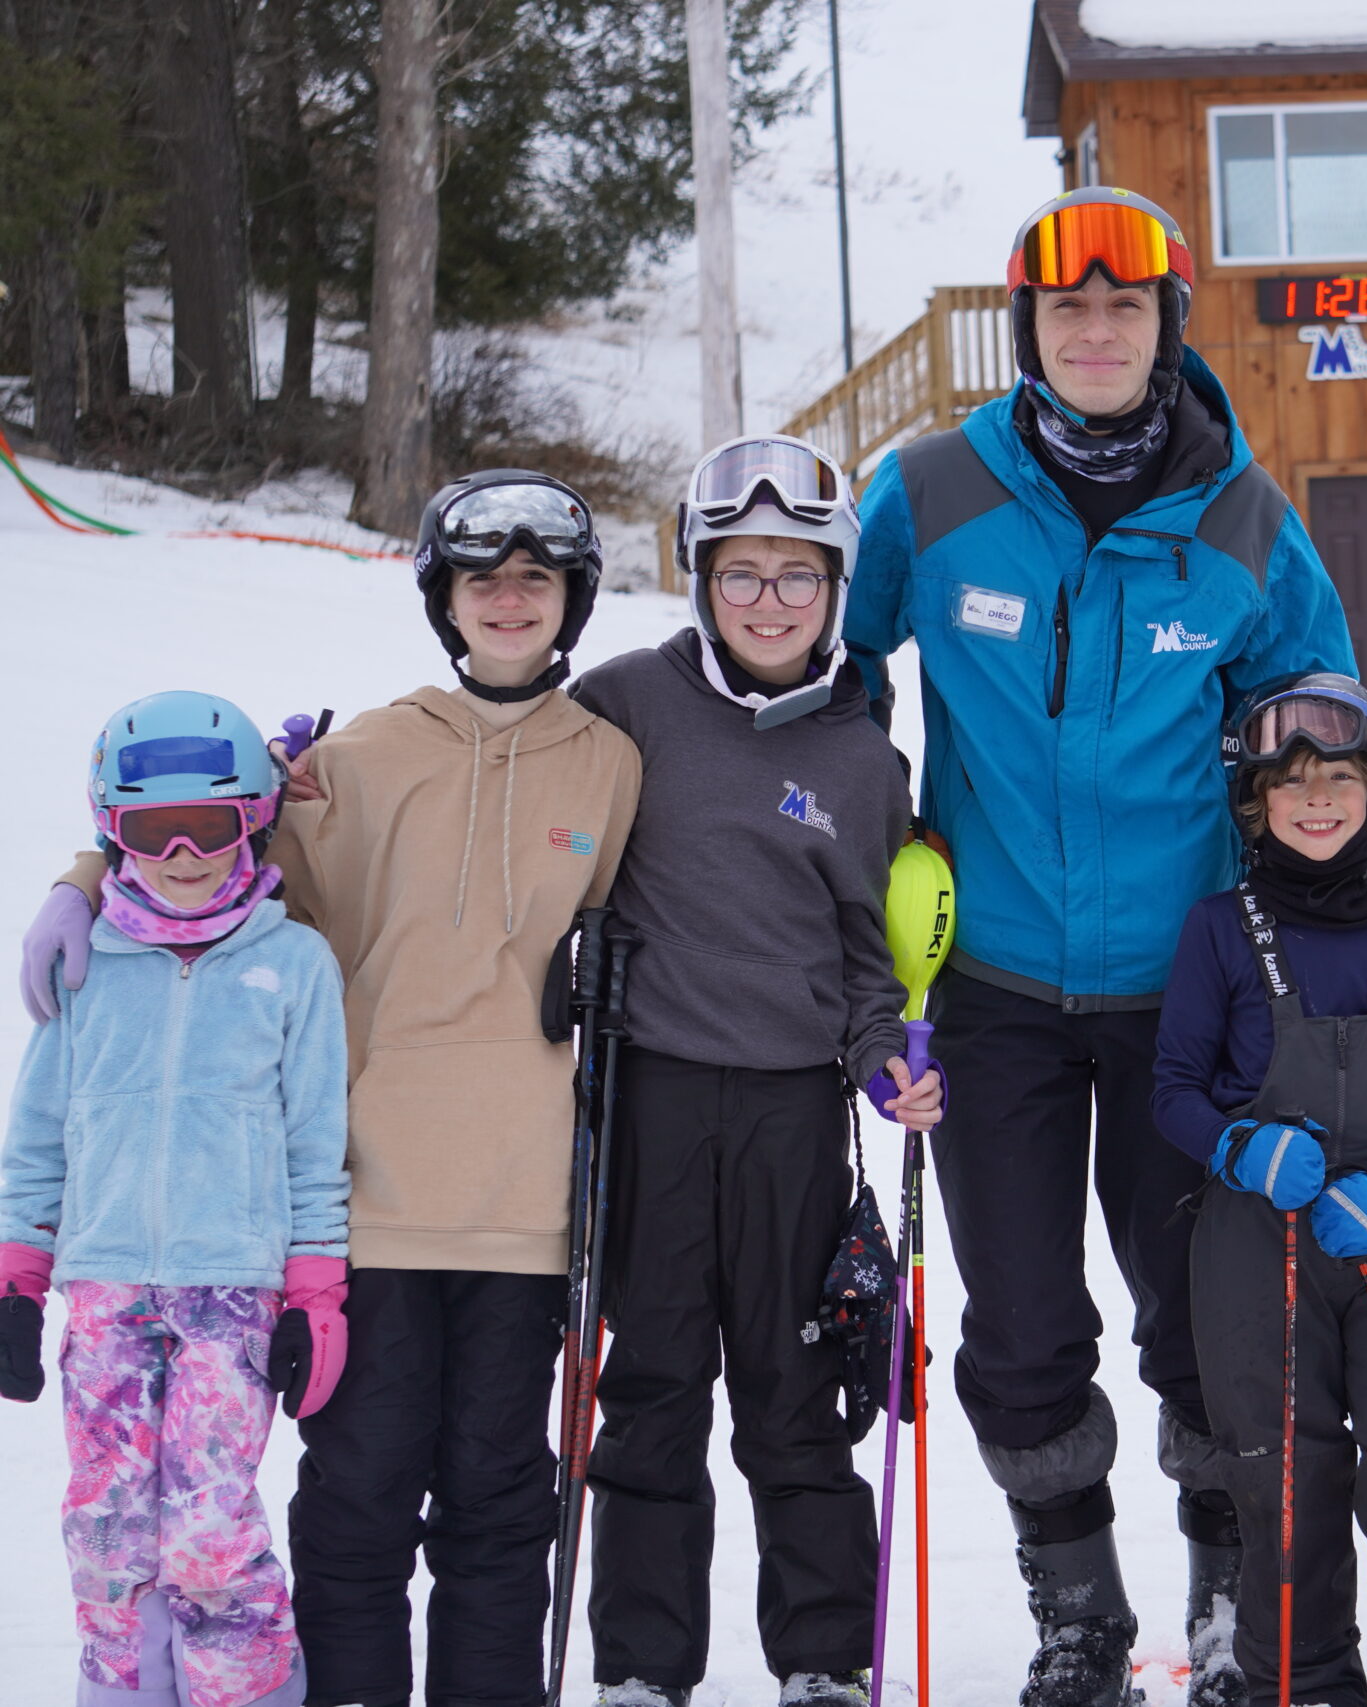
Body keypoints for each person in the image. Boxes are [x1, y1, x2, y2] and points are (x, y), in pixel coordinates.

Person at [841, 186, 1355, 1707]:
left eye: (1125, 309)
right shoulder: (932, 491)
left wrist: (1358, 885)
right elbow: (832, 671)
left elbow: (1320, 723)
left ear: (1166, 325)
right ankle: (1076, 1611)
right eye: (1069, 310)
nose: (1097, 333)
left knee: (1203, 1321)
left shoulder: (1247, 521)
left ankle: (1218, 1600)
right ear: (1031, 330)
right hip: (991, 984)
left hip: (1188, 991)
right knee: (1019, 1324)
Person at [17, 471, 644, 1707]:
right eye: (482, 579)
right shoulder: (357, 756)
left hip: (524, 1211)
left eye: (536, 579)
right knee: (357, 1497)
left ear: (572, 598)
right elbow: (198, 849)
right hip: (364, 1207)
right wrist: (84, 875)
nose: (509, 600)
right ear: (443, 600)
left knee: (500, 1502)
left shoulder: (615, 764)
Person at [568, 434, 943, 1707]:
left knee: (795, 1396)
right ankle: (639, 1667)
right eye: (741, 574)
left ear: (836, 588)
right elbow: (498, 793)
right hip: (652, 1100)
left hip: (793, 1110)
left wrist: (888, 1058)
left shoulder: (859, 758)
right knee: (655, 1389)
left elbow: (869, 958)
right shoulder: (622, 702)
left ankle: (824, 1659)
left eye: (796, 575)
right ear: (700, 582)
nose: (768, 601)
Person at [1154, 673, 1367, 1707]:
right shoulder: (1218, 928)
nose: (1316, 799)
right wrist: (1238, 1151)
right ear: (1254, 804)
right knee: (1283, 1474)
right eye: (1290, 782)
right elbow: (1171, 1087)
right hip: (1259, 1248)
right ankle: (1300, 1683)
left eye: (1339, 778)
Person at [3, 692, 350, 1707]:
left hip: (231, 1295)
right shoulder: (86, 964)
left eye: (216, 823)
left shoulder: (294, 966)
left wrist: (315, 1293)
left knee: (208, 1531)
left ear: (254, 820)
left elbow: (314, 1141)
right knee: (106, 1527)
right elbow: (36, 1136)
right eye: (156, 829)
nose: (187, 850)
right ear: (114, 830)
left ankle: (244, 1694)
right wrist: (20, 1275)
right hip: (106, 1290)